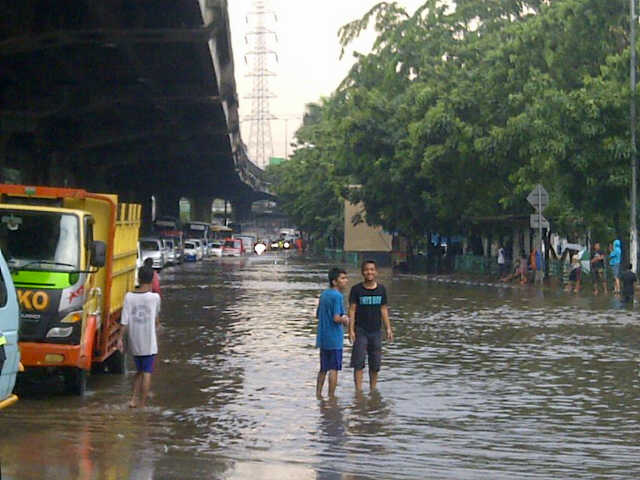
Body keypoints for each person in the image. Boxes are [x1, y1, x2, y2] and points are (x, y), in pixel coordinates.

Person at [118, 266, 161, 408]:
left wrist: (119, 340)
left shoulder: (128, 297)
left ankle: (133, 399)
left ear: (139, 278)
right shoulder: (155, 298)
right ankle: (142, 404)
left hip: (134, 340)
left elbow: (124, 320)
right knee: (147, 372)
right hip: (149, 342)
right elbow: (156, 319)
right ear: (151, 280)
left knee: (139, 371)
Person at [348, 260, 393, 392]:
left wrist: (388, 328)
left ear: (376, 272)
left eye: (372, 269)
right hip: (360, 330)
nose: (369, 272)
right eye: (367, 270)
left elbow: (383, 309)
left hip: (376, 331)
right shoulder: (356, 290)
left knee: (375, 363)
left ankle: (373, 390)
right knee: (358, 362)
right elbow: (352, 310)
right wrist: (351, 330)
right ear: (363, 272)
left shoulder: (381, 289)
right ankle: (359, 392)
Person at [315, 268, 349, 398]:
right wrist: (345, 319)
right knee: (334, 369)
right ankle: (331, 397)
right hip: (334, 339)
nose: (345, 281)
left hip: (323, 338)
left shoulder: (324, 295)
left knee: (323, 368)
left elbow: (317, 315)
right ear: (335, 282)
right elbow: (336, 318)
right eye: (342, 278)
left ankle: (318, 394)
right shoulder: (338, 296)